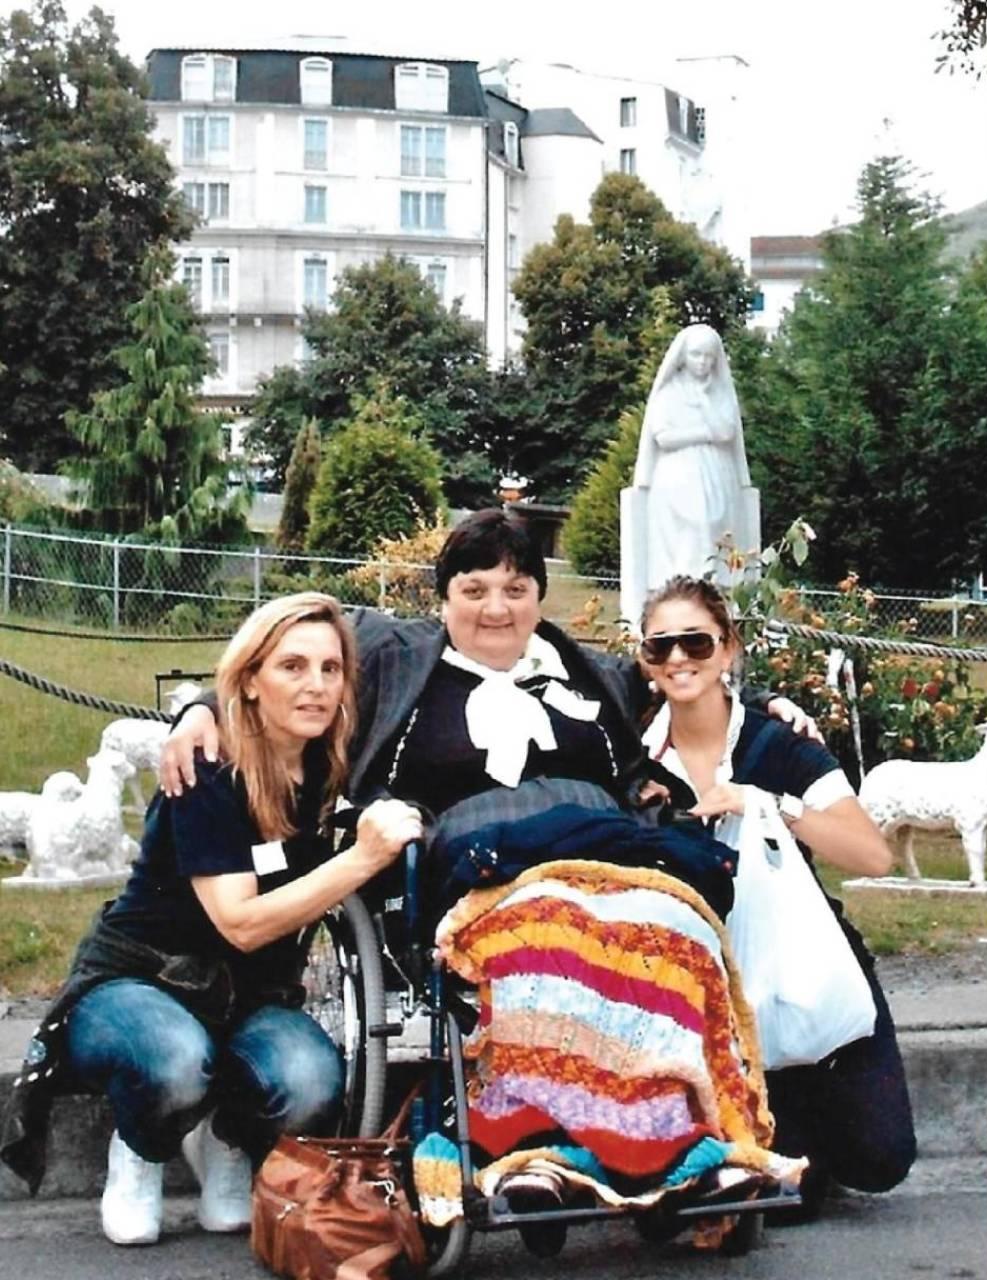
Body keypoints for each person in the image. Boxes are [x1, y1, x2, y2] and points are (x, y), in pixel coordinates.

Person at [0, 594, 422, 1245]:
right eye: (292, 666)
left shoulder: (331, 755)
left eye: (330, 669)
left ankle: (225, 1135)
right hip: (139, 982)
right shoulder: (205, 767)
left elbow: (419, 642)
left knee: (311, 1078)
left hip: (248, 998)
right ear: (251, 680)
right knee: (173, 1056)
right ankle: (139, 1148)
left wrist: (194, 703)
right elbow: (243, 924)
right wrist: (361, 859)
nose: (315, 685)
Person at [159, 509, 812, 812]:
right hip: (460, 879)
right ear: (443, 597)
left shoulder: (588, 675)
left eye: (515, 590)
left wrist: (763, 705)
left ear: (538, 597)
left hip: (599, 869)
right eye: (474, 591)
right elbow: (284, 655)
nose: (495, 609)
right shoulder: (392, 653)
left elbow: (680, 677)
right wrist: (202, 708)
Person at [634, 574, 916, 1207]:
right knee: (778, 1198)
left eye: (696, 644)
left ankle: (805, 1122)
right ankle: (772, 1139)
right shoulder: (635, 759)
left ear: (728, 649)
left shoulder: (777, 745)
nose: (679, 658)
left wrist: (768, 805)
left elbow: (870, 854)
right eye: (660, 647)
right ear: (644, 661)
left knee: (880, 1159)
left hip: (808, 965)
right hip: (705, 987)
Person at [632, 324, 755, 588]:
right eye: (696, 355)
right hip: (680, 473)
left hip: (719, 473)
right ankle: (685, 587)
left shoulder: (720, 392)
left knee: (719, 529)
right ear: (683, 356)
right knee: (694, 526)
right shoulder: (670, 392)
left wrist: (705, 413)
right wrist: (705, 431)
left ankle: (715, 588)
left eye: (709, 356)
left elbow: (728, 431)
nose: (703, 362)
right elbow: (664, 437)